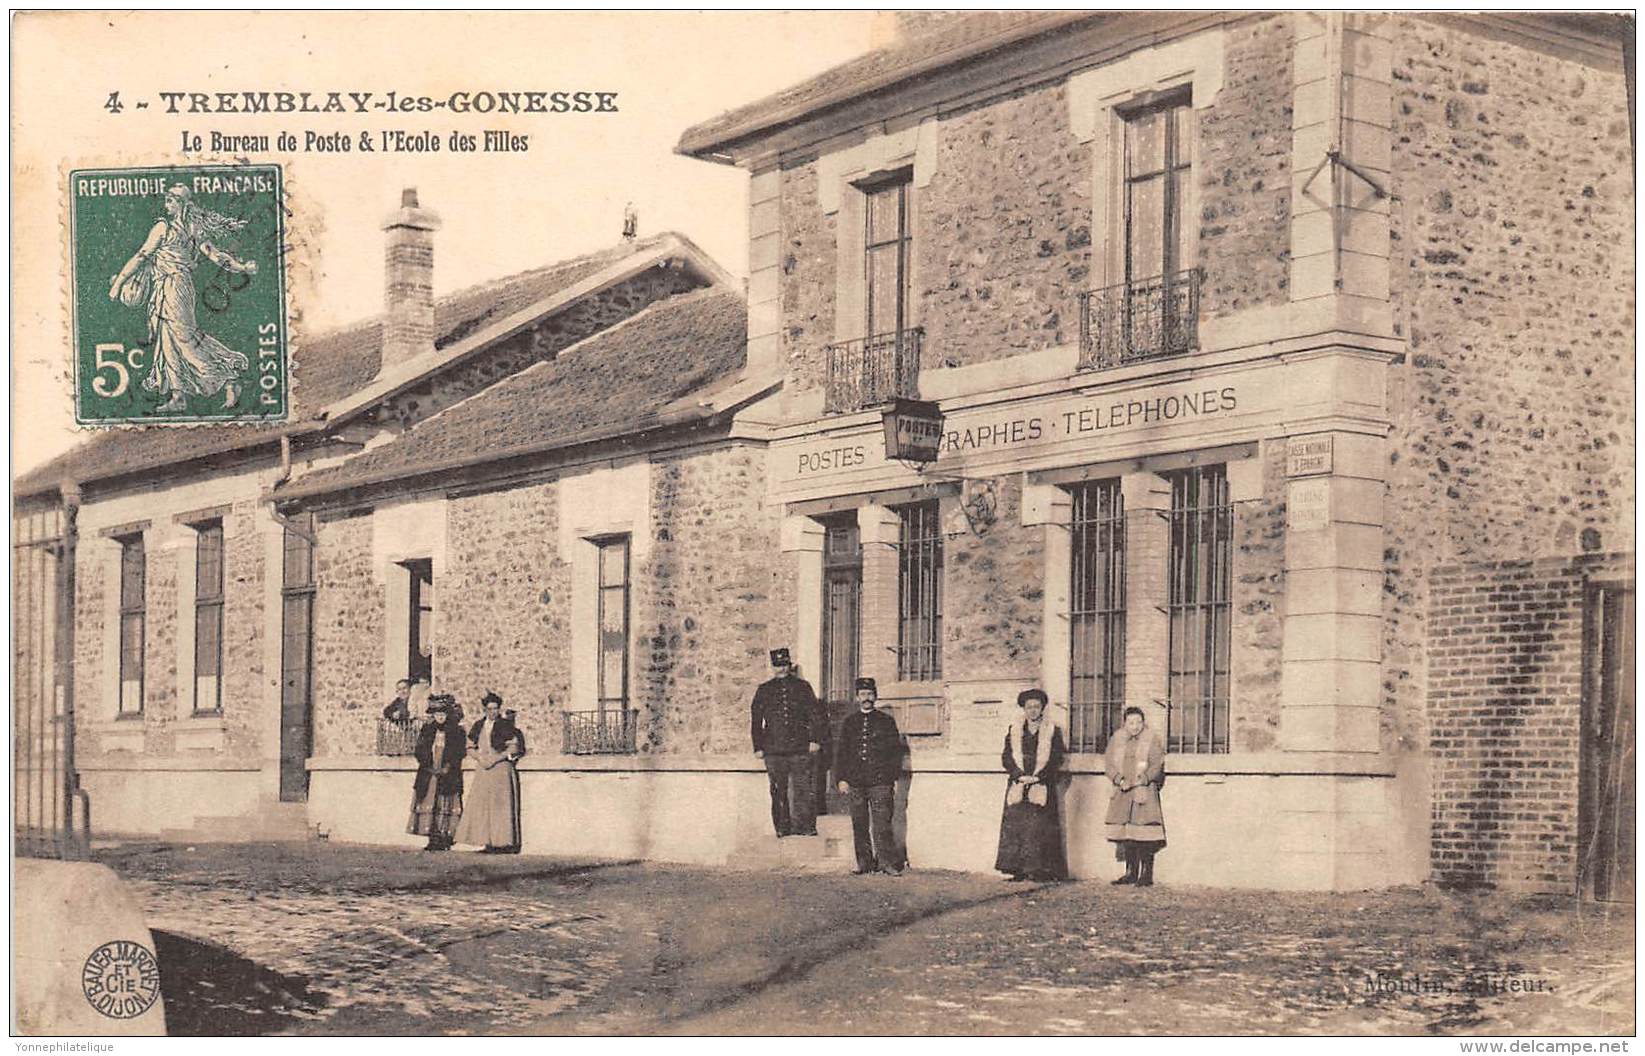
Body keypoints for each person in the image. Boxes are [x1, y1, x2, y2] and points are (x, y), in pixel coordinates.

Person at [108, 184, 257, 413]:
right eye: (166, 200)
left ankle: (229, 378)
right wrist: (242, 267)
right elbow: (215, 255)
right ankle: (178, 396)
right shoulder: (190, 228)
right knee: (167, 339)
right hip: (168, 286)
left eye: (170, 200)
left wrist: (118, 284)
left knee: (185, 338)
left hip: (174, 286)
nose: (166, 204)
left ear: (181, 204)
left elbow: (141, 256)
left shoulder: (164, 227)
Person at [995, 688, 1070, 882]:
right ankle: (1017, 869)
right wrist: (1019, 775)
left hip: (1041, 784)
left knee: (1040, 827)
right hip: (1019, 784)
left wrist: (1039, 777)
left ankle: (1040, 870)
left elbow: (1056, 757)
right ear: (1024, 709)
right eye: (1029, 707)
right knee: (1017, 826)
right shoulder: (1014, 730)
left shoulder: (1052, 730)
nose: (1033, 711)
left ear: (1042, 708)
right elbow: (1007, 757)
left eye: (1036, 707)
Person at [750, 647, 826, 837]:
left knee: (803, 787)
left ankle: (805, 826)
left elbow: (816, 716)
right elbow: (756, 719)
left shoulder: (803, 687)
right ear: (773, 667)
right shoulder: (764, 690)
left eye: (784, 665)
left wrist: (815, 739)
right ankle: (782, 827)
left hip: (800, 747)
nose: (782, 669)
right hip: (774, 749)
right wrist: (758, 746)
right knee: (778, 790)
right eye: (778, 666)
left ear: (789, 665)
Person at [834, 678, 905, 876]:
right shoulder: (849, 722)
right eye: (863, 694)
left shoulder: (886, 721)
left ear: (875, 696)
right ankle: (864, 863)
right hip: (855, 781)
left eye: (870, 694)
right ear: (857, 697)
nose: (867, 698)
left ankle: (886, 862)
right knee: (859, 822)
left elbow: (895, 752)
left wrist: (890, 778)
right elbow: (842, 753)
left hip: (880, 781)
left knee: (882, 823)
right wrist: (841, 779)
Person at [454, 691, 526, 854]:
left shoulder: (506, 726)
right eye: (490, 709)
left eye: (496, 708)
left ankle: (503, 843)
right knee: (484, 806)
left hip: (501, 770)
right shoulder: (479, 725)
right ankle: (487, 842)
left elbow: (513, 747)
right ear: (485, 710)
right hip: (484, 770)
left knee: (501, 806)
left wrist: (496, 759)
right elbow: (470, 746)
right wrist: (480, 758)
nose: (493, 712)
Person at [1104, 706, 1167, 886]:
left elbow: (1157, 764)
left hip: (1143, 791)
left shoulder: (1151, 739)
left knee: (1144, 832)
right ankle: (1130, 872)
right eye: (1131, 722)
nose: (1135, 726)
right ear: (1125, 723)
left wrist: (1144, 779)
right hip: (1123, 790)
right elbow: (1109, 763)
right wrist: (1118, 779)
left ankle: (1146, 875)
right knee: (1127, 833)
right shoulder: (1117, 739)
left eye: (1139, 722)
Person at [407, 695, 466, 851]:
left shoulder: (456, 731)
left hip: (448, 773)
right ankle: (432, 838)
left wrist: (448, 767)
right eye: (437, 714)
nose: (440, 717)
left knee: (445, 803)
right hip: (429, 772)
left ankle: (445, 838)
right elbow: (420, 750)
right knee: (430, 802)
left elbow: (459, 751)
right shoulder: (427, 730)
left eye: (443, 714)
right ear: (433, 715)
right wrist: (427, 765)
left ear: (447, 715)